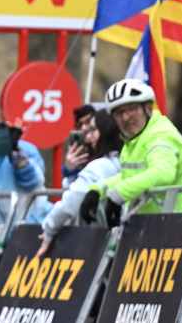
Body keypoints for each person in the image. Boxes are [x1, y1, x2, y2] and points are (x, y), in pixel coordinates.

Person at [81, 78, 182, 225]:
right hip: (153, 226)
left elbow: (163, 172)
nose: (126, 117)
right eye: (119, 113)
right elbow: (129, 177)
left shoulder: (162, 135)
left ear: (148, 108)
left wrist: (120, 193)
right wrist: (97, 190)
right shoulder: (133, 141)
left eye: (132, 109)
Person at [36, 109, 121, 258]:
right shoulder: (125, 162)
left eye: (93, 130)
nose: (87, 138)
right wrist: (71, 173)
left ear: (106, 130)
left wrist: (49, 229)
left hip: (98, 245)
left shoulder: (100, 166)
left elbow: (71, 202)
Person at [62, 104, 96, 184]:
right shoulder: (76, 146)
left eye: (88, 122)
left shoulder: (106, 144)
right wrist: (68, 167)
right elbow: (67, 175)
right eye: (80, 124)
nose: (84, 128)